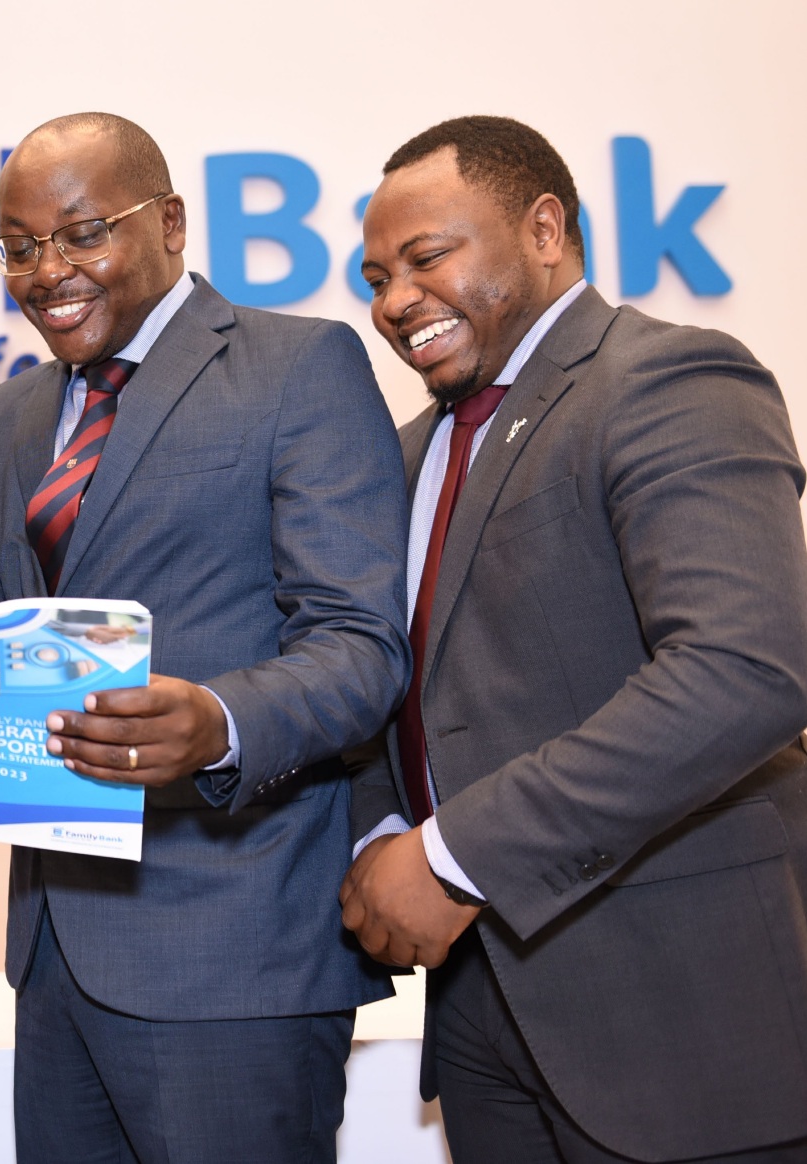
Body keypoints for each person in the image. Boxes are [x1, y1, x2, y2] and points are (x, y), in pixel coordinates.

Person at [0, 113, 409, 1162]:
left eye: (81, 234)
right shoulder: (18, 409)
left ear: (168, 223)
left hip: (234, 945)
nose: (45, 271)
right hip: (53, 944)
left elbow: (360, 643)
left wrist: (216, 723)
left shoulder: (298, 366)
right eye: (16, 247)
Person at [341, 114, 807, 1164]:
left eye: (425, 259)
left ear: (543, 229)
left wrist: (454, 857)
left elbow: (742, 673)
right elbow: (388, 686)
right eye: (374, 277)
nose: (393, 301)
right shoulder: (406, 451)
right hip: (478, 1013)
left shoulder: (666, 380)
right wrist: (382, 837)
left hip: (680, 1017)